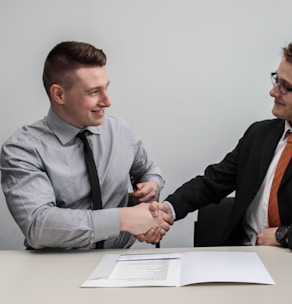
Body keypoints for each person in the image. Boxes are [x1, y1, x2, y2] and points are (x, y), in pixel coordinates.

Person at [156, 41, 292, 259]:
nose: (273, 92)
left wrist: (286, 234)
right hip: (240, 261)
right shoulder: (258, 134)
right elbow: (212, 182)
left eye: (286, 87)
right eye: (276, 79)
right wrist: (168, 209)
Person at [0, 41, 172, 250]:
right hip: (55, 268)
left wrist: (151, 186)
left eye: (106, 88)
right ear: (59, 94)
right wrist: (122, 219)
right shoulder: (22, 149)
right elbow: (39, 226)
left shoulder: (121, 131)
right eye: (93, 92)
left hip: (120, 260)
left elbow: (149, 170)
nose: (107, 101)